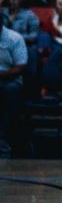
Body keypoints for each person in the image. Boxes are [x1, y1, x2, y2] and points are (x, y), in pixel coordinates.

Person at [0, 22, 28, 157]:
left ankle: (3, 144)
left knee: (9, 91)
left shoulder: (14, 38)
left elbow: (20, 67)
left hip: (10, 80)